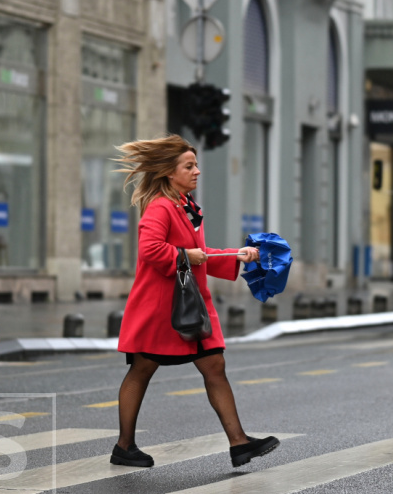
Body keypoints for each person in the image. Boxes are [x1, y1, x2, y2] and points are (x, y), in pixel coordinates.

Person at [109, 134, 279, 468]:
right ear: (170, 173)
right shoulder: (160, 207)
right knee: (141, 369)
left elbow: (199, 256)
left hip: (189, 306)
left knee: (215, 365)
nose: (197, 171)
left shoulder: (186, 207)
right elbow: (151, 250)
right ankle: (124, 446)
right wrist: (188, 254)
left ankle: (239, 444)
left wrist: (237, 255)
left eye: (196, 165)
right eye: (189, 166)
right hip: (161, 310)